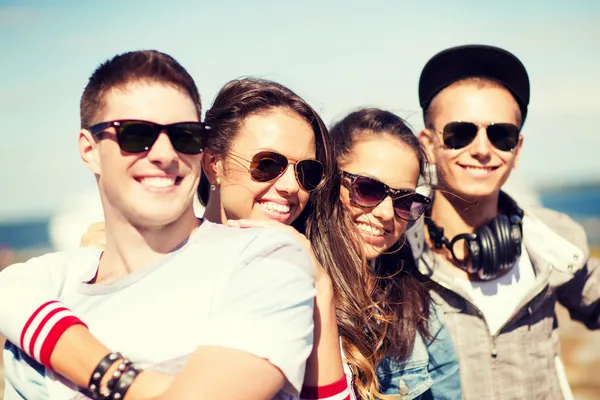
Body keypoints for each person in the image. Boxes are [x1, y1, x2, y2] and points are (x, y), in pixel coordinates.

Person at [0, 50, 318, 400]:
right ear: (89, 150)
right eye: (136, 135)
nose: (165, 154)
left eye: (184, 136)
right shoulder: (52, 283)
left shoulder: (267, 261)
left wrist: (110, 375)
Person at [411, 44, 600, 399]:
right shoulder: (393, 254)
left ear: (518, 149)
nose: (482, 149)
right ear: (427, 145)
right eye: (460, 133)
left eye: (501, 135)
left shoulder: (553, 240)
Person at [329, 108, 461, 399]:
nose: (387, 213)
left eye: (405, 200)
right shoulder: (289, 287)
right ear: (327, 181)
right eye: (367, 189)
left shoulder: (415, 306)